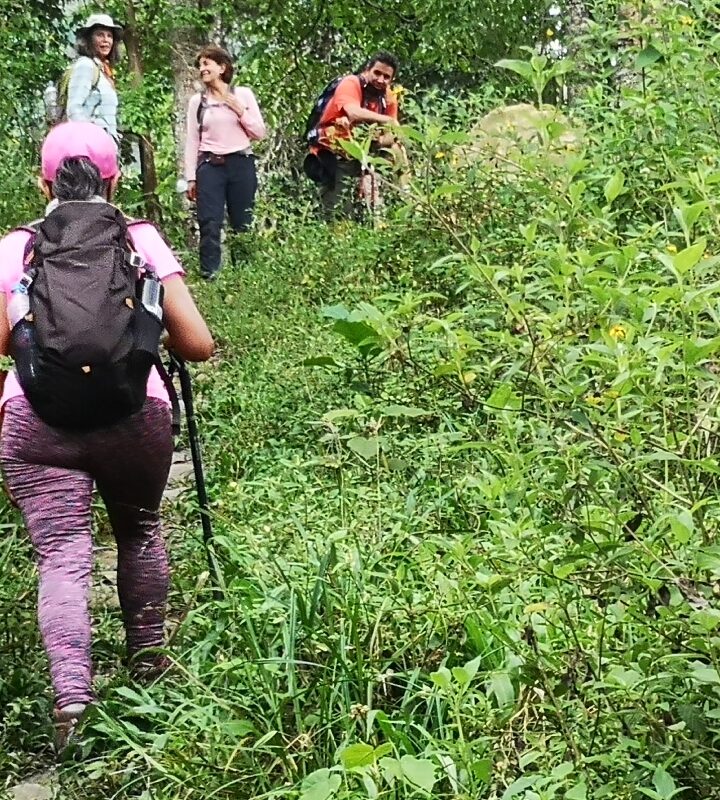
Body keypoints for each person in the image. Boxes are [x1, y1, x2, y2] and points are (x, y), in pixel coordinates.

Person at [0, 121, 214, 750]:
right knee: (141, 531)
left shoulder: (16, 247)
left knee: (61, 553)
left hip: (35, 421)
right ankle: (149, 668)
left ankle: (72, 705)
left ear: (44, 180)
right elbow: (198, 344)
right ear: (114, 178)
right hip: (133, 414)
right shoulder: (140, 239)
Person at [184, 45, 267, 280]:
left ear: (222, 67)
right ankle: (210, 276)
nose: (202, 69)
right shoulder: (197, 103)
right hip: (210, 166)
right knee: (209, 223)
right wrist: (191, 177)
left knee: (242, 222)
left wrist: (240, 111)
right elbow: (192, 140)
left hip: (241, 163)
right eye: (200, 65)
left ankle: (245, 278)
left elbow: (259, 132)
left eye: (207, 64)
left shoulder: (243, 95)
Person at [308, 52, 401, 220]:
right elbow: (353, 112)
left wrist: (378, 140)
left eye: (386, 77)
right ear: (367, 70)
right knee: (335, 210)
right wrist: (386, 119)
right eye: (377, 73)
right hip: (335, 152)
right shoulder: (351, 83)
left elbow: (393, 133)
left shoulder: (388, 97)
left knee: (370, 212)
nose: (380, 80)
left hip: (365, 156)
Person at [64, 13, 123, 139]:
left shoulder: (103, 70)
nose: (106, 40)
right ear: (89, 39)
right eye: (100, 35)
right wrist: (90, 138)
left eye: (109, 36)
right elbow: (74, 109)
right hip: (88, 150)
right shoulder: (86, 65)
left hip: (104, 150)